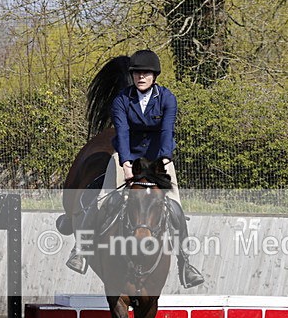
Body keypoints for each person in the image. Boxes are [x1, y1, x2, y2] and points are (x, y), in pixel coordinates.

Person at [66, 49, 204, 288]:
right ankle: (80, 250)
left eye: (147, 73)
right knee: (101, 200)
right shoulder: (121, 100)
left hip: (157, 158)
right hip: (126, 155)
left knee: (175, 206)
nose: (142, 77)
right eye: (138, 73)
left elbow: (166, 132)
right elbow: (122, 132)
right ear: (133, 75)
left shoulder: (167, 99)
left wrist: (164, 160)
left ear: (154, 76)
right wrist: (126, 164)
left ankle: (186, 264)